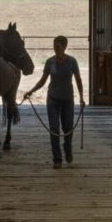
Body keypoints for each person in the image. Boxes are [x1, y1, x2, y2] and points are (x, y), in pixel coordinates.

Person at [23, 35, 85, 168]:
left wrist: (81, 97)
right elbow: (43, 80)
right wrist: (31, 91)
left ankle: (67, 149)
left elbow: (78, 80)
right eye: (54, 46)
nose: (55, 49)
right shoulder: (49, 62)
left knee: (68, 128)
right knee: (54, 129)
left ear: (64, 47)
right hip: (53, 100)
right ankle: (57, 159)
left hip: (68, 100)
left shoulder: (72, 62)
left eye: (58, 46)